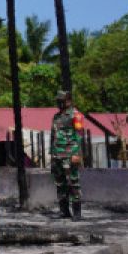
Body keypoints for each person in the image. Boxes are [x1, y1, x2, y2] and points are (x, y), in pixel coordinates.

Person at [50, 91, 83, 220]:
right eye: (58, 101)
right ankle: (64, 211)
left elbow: (79, 135)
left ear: (68, 101)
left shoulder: (76, 115)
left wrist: (76, 154)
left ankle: (77, 213)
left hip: (70, 154)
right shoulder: (56, 117)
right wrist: (52, 154)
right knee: (60, 184)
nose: (59, 103)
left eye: (61, 101)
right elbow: (53, 136)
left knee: (73, 183)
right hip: (57, 155)